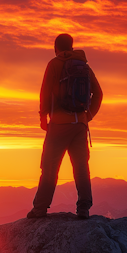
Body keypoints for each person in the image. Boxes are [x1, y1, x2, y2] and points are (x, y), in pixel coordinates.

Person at [27, 33, 103, 220]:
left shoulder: (53, 65)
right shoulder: (84, 66)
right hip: (79, 126)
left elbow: (45, 92)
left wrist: (43, 117)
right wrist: (88, 116)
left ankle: (40, 209)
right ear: (71, 46)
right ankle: (84, 209)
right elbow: (99, 93)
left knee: (50, 167)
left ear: (56, 47)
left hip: (59, 125)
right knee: (81, 168)